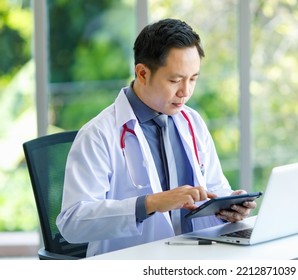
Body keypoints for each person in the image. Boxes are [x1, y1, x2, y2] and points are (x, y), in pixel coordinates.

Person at [56, 18, 256, 257]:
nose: (186, 92)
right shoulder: (98, 135)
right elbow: (72, 223)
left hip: (197, 255)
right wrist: (151, 203)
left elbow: (215, 188)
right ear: (142, 73)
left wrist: (229, 206)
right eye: (175, 80)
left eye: (193, 79)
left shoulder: (192, 122)